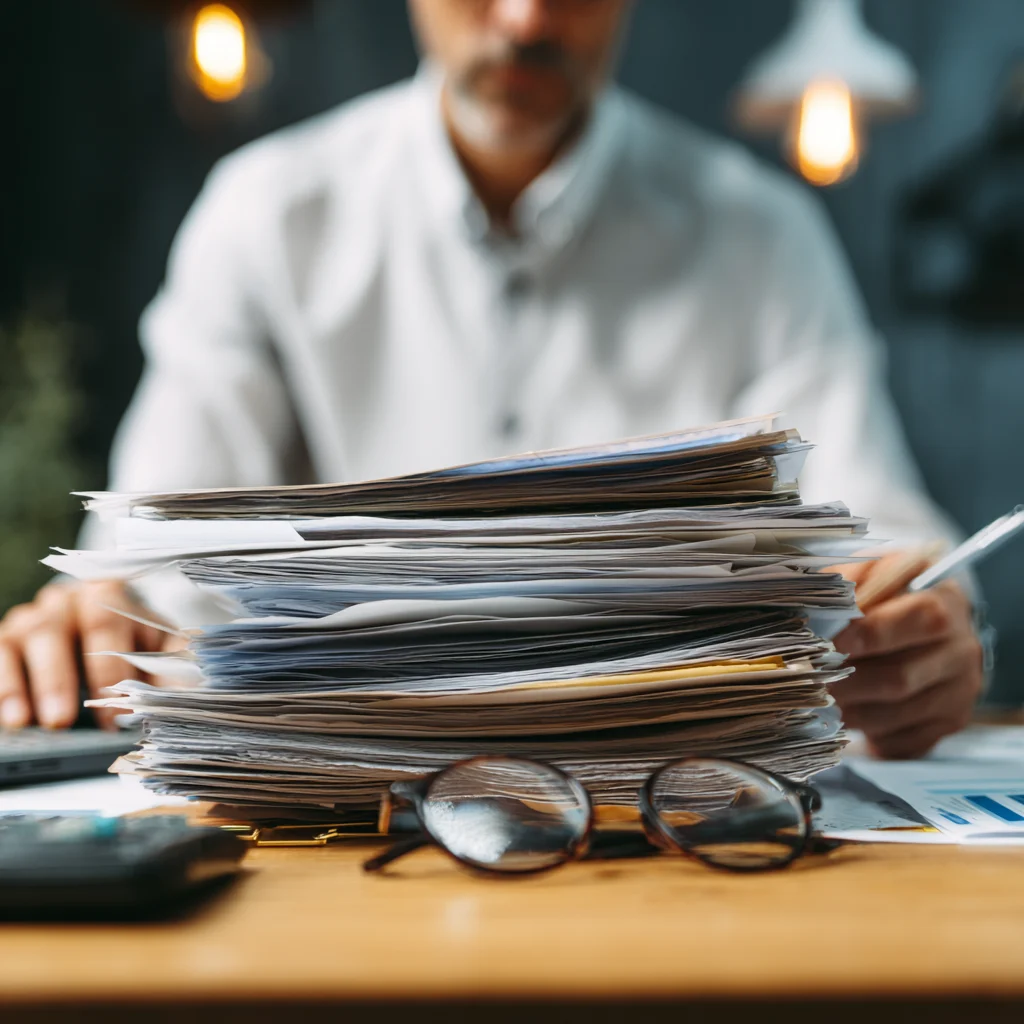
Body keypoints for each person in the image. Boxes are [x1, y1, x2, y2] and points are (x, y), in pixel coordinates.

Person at [0, 0, 983, 756]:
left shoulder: (759, 236)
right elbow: (147, 561)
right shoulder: (266, 216)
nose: (524, 20)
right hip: (335, 832)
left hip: (682, 831)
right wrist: (93, 620)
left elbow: (884, 531)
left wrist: (923, 622)